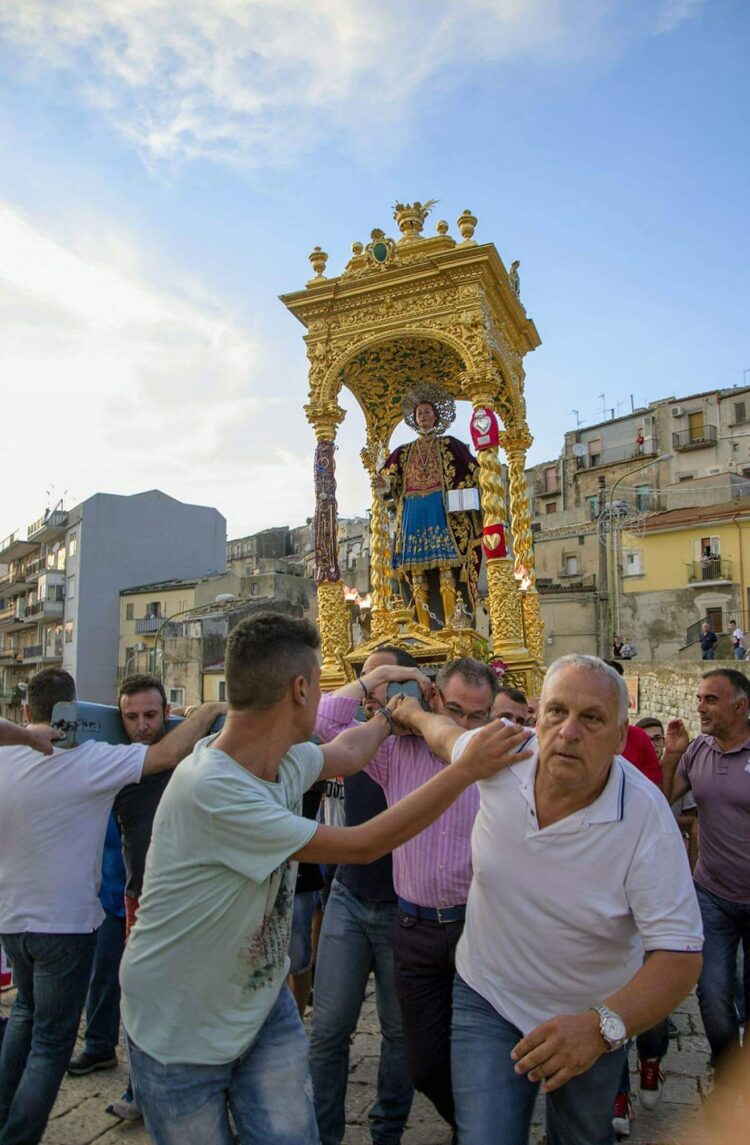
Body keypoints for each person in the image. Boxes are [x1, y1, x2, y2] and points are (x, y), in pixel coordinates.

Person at [118, 614, 529, 1145]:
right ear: (299, 690)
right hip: (179, 1023)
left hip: (258, 1004)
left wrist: (388, 707)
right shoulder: (215, 790)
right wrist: (466, 767)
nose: (327, 694)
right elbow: (364, 844)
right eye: (319, 682)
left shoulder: (279, 759)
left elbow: (350, 751)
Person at [395, 654, 703, 1145]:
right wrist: (410, 713)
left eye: (592, 718)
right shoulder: (502, 755)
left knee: (581, 1137)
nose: (569, 732)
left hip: (589, 1009)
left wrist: (600, 1028)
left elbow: (679, 954)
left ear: (620, 738)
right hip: (489, 996)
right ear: (537, 718)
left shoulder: (645, 816)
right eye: (557, 711)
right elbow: (444, 735)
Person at [0, 667, 224, 1145]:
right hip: (64, 925)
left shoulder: (5, 757)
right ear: (76, 710)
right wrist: (208, 709)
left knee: (25, 1012)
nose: (141, 725)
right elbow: (166, 754)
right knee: (51, 1042)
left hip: (12, 920)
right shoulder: (92, 760)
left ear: (27, 710)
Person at [316, 656, 500, 1137]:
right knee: (423, 1062)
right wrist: (378, 679)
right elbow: (325, 723)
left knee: (477, 1049)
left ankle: (480, 1129)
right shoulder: (396, 752)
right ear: (433, 697)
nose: (464, 726)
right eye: (454, 710)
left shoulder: (495, 760)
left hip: (475, 927)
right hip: (414, 927)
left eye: (477, 716)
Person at [310, 646, 416, 1145]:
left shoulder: (425, 742)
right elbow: (322, 717)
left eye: (384, 679)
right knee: (329, 1030)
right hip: (349, 897)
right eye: (367, 679)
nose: (372, 689)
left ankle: (387, 1131)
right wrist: (380, 674)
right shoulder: (360, 737)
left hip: (402, 907)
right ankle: (323, 1134)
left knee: (399, 1033)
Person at [660, 669, 750, 1084]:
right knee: (712, 993)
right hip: (711, 894)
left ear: (741, 705)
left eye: (711, 700)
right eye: (699, 698)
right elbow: (661, 800)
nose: (700, 707)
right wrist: (672, 755)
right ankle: (729, 1073)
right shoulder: (698, 751)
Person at [379, 385, 482, 628]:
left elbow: (474, 469)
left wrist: (484, 477)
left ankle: (452, 627)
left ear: (435, 416)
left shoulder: (450, 444)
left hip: (439, 508)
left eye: (427, 412)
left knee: (446, 568)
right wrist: (383, 482)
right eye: (419, 413)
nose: (423, 416)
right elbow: (388, 479)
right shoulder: (402, 451)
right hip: (412, 511)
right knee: (416, 573)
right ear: (414, 419)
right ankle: (423, 629)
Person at [66, 814, 126, 1079]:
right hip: (110, 897)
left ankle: (148, 1067)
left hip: (148, 898)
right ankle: (99, 1046)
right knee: (103, 973)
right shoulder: (101, 797)